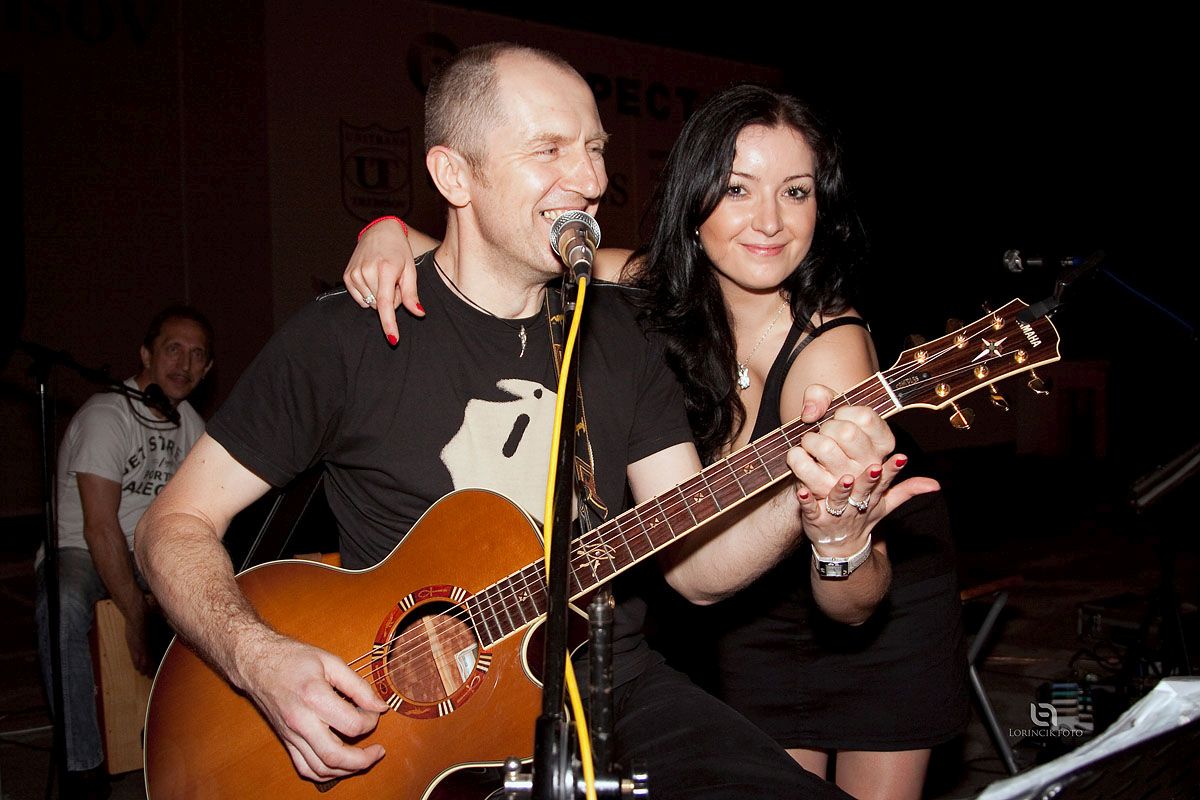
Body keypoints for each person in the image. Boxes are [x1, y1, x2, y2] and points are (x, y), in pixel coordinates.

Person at [136, 43, 934, 800]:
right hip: (412, 730)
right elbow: (172, 525)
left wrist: (807, 497)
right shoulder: (344, 338)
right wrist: (258, 660)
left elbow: (697, 569)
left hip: (611, 688)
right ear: (455, 174)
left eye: (595, 150)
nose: (589, 180)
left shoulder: (622, 335)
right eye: (549, 150)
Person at [344, 85, 968, 799]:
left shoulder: (831, 350)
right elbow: (481, 254)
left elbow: (852, 604)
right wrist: (384, 231)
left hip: (865, 603)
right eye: (738, 189)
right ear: (694, 201)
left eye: (796, 192)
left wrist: (841, 539)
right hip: (746, 608)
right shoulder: (652, 284)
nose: (770, 221)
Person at [34, 305, 213, 794]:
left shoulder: (193, 426)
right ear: (146, 355)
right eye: (173, 349)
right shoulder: (106, 416)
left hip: (148, 549)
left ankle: (188, 741)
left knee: (213, 596)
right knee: (63, 603)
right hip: (81, 548)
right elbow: (99, 528)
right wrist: (137, 616)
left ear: (208, 369)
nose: (184, 364)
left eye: (197, 354)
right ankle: (82, 767)